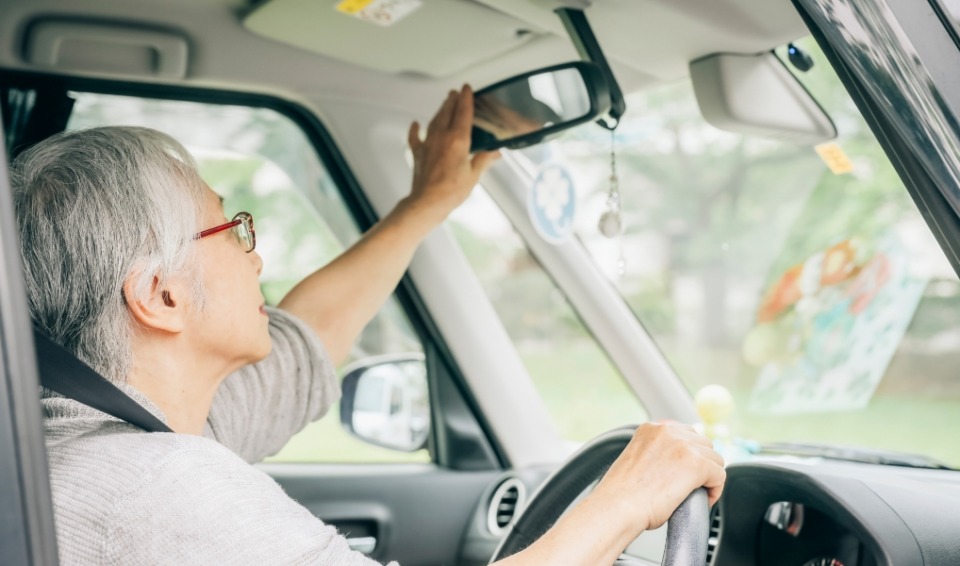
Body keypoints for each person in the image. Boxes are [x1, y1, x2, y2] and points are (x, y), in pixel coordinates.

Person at [13, 84, 725, 565]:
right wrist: (628, 498)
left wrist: (425, 205)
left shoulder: (77, 443)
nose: (257, 259)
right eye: (233, 229)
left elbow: (304, 346)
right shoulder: (157, 487)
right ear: (160, 296)